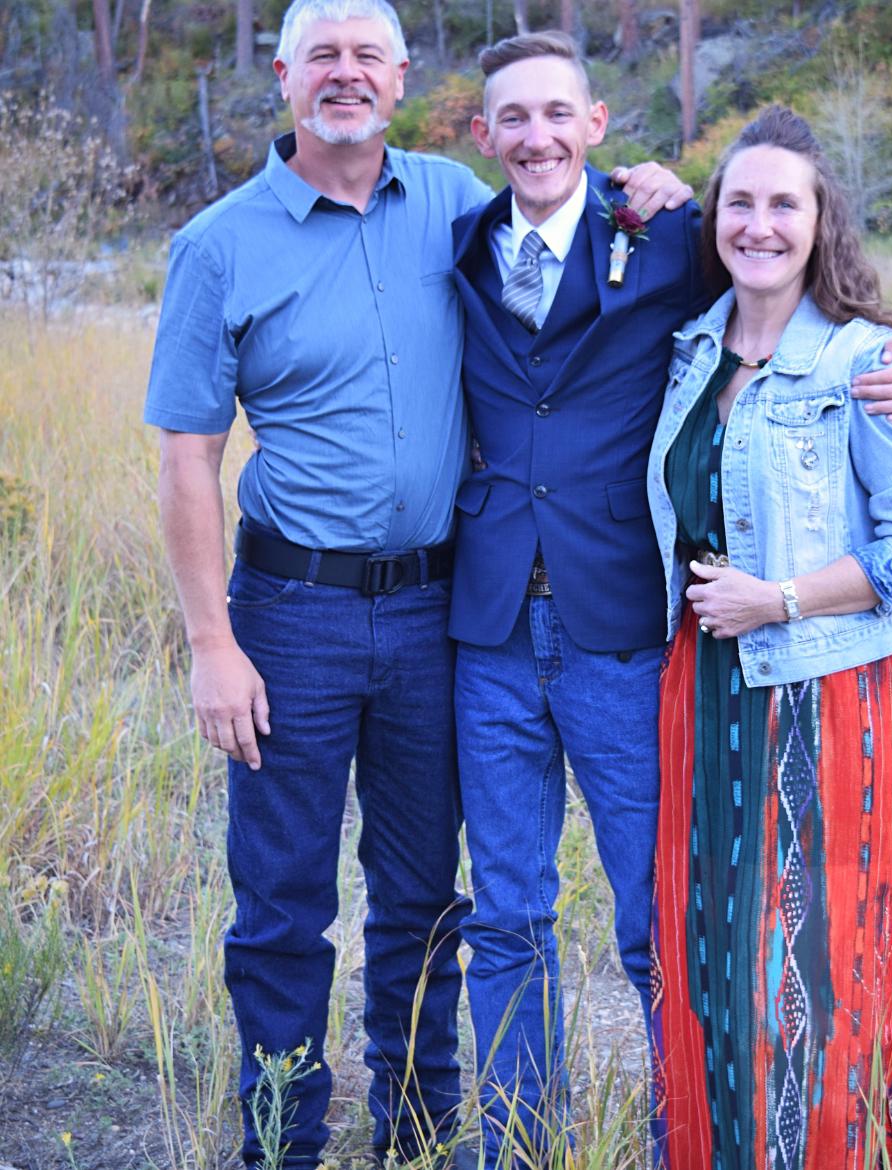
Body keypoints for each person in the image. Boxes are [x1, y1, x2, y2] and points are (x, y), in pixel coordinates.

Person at [449, 36, 892, 1167]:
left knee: (661, 919)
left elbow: (825, 317)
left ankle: (697, 1137)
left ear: (598, 121)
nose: (535, 137)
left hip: (624, 630)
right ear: (482, 136)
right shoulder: (456, 237)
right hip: (485, 630)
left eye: (556, 114)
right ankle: (518, 1145)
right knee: (507, 912)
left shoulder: (672, 236)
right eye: (511, 119)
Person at [143, 1, 492, 1164]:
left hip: (441, 615)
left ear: (401, 75)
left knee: (423, 893)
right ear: (285, 76)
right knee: (284, 902)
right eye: (321, 57)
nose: (344, 75)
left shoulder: (456, 203)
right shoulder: (218, 244)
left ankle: (417, 1128)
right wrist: (210, 644)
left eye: (366, 56)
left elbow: (588, 239)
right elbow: (189, 455)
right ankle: (284, 1141)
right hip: (288, 621)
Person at [646, 106, 892, 1170]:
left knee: (821, 962)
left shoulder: (868, 364)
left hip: (818, 698)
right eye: (741, 202)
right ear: (715, 218)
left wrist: (774, 600)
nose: (761, 223)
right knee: (712, 959)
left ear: (823, 223)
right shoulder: (690, 350)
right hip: (701, 690)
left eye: (786, 203)